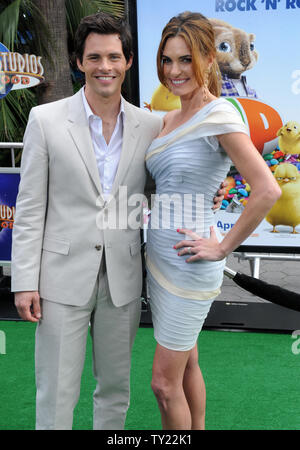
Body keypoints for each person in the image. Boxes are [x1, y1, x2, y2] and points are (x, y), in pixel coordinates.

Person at [11, 11, 225, 430]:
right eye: (94, 57)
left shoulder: (151, 125)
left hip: (123, 280)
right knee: (56, 392)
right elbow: (30, 207)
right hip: (59, 279)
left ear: (128, 61)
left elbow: (159, 188)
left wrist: (204, 193)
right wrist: (25, 281)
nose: (104, 66)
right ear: (79, 62)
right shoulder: (46, 120)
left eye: (113, 56)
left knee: (114, 392)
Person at [145, 11, 281, 430]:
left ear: (207, 59)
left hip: (190, 267)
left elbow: (267, 190)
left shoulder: (219, 113)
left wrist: (222, 247)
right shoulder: (167, 119)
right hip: (159, 261)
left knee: (163, 386)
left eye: (186, 59)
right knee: (187, 366)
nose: (175, 70)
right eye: (167, 60)